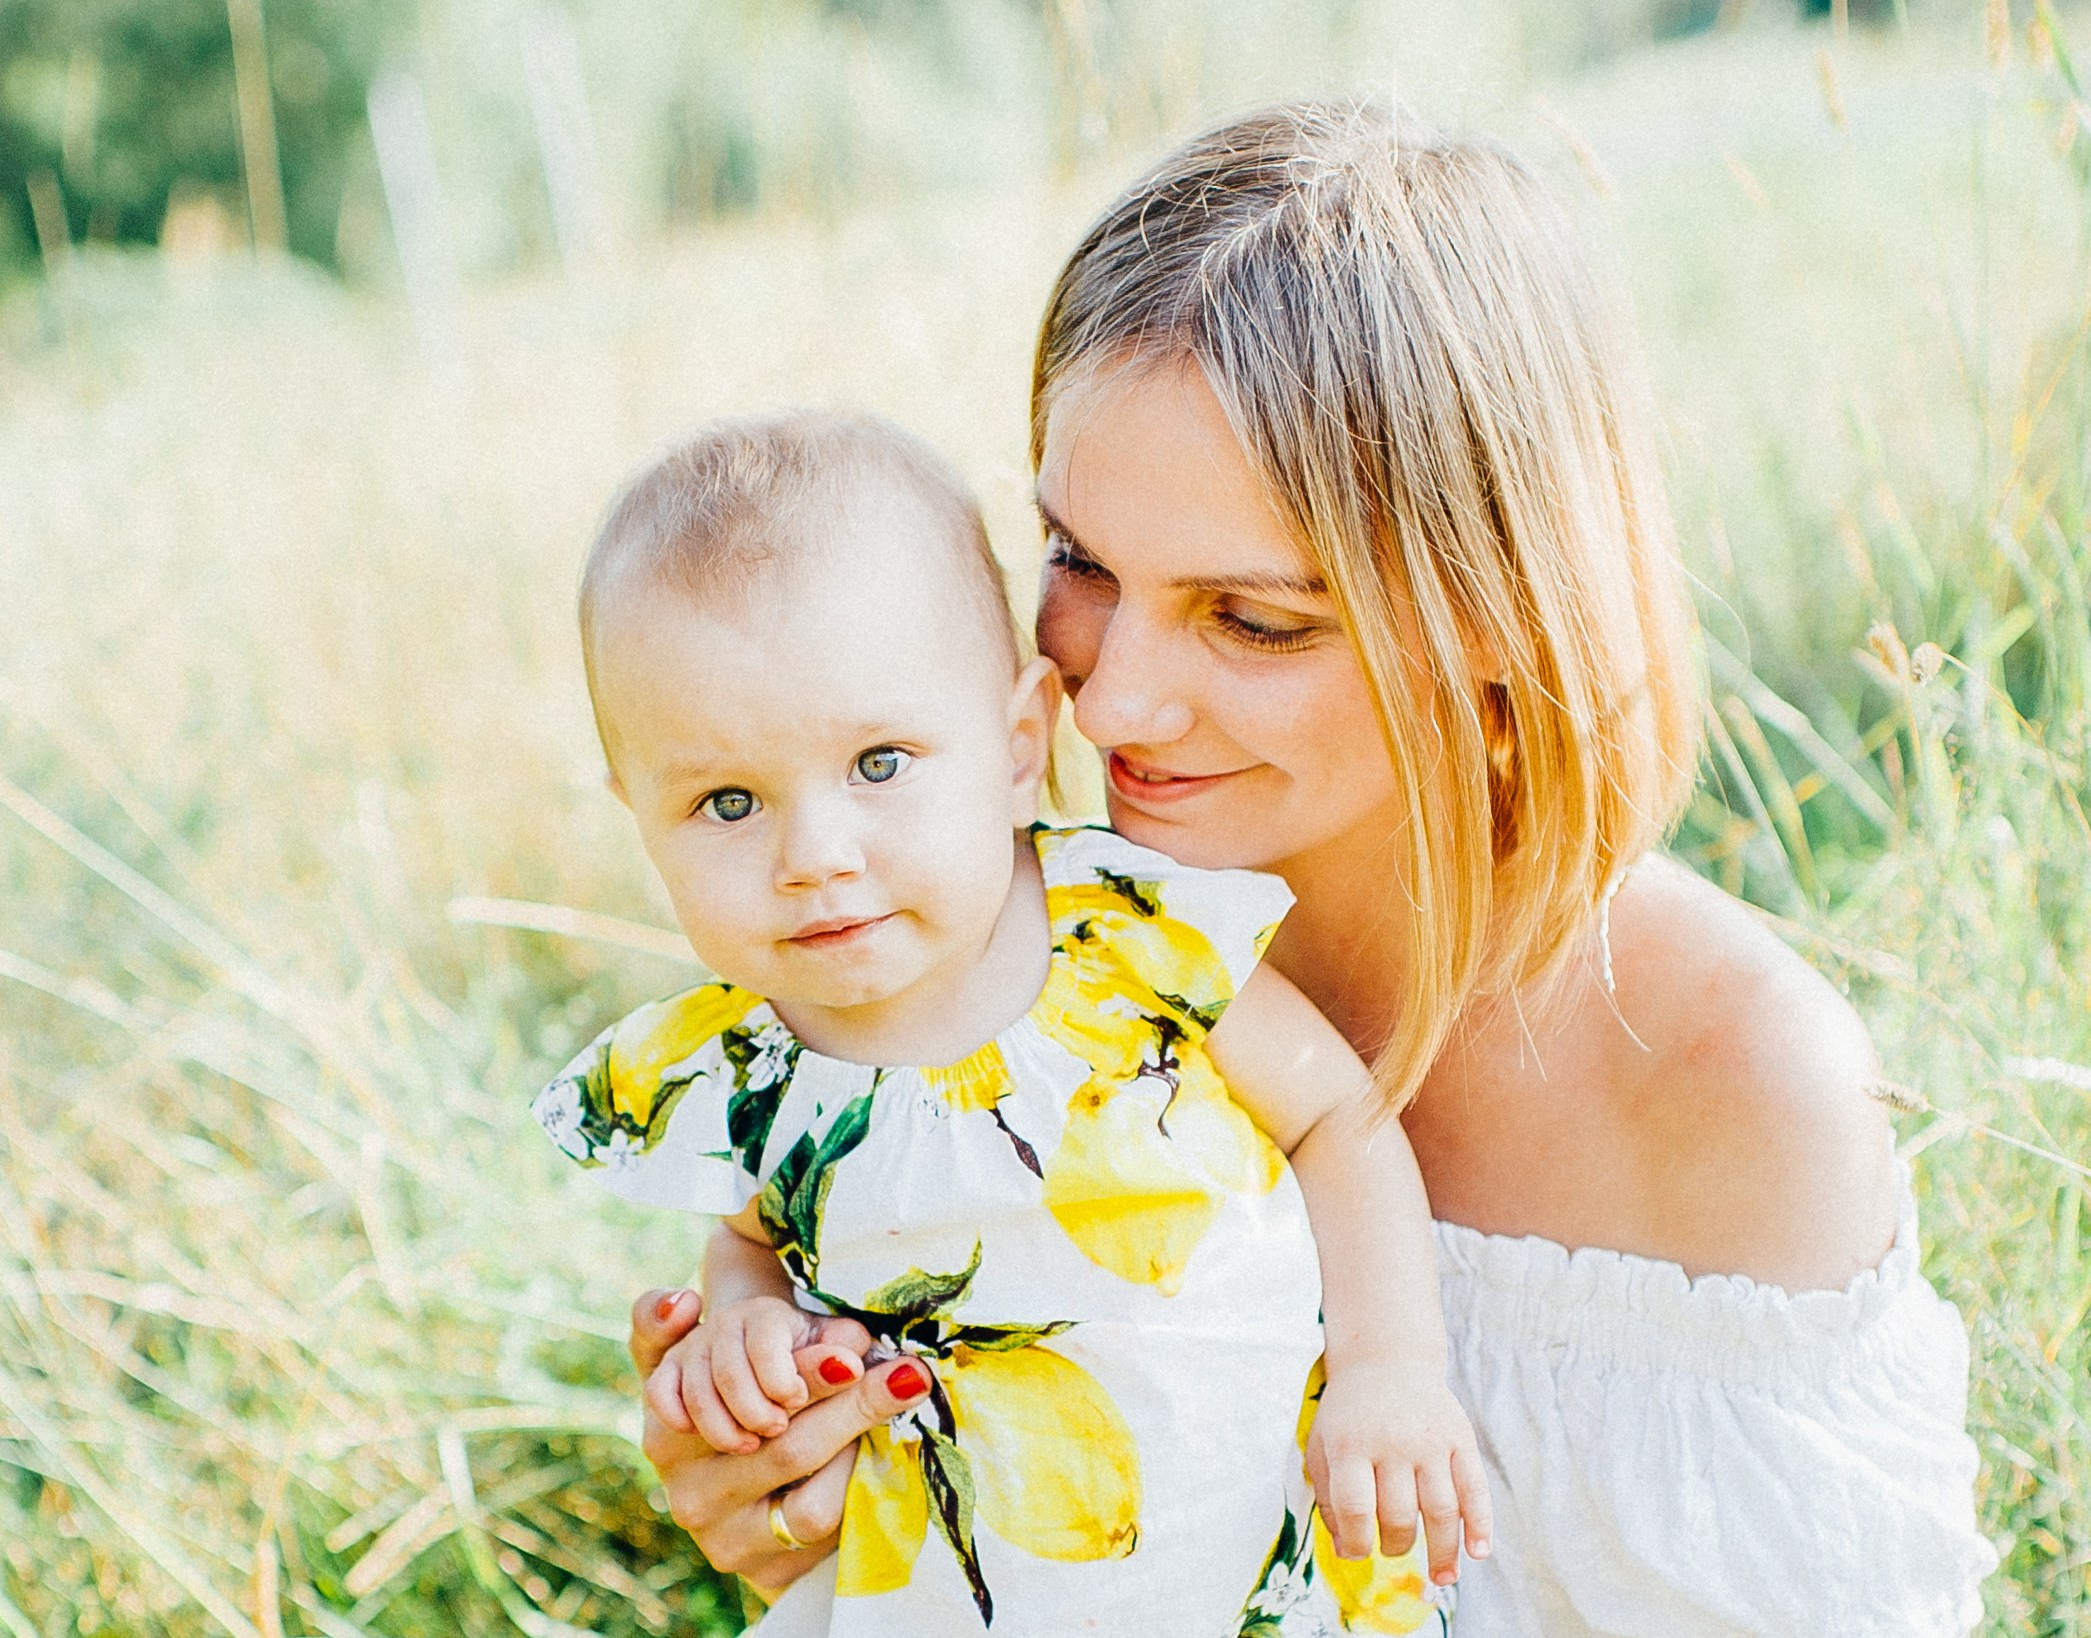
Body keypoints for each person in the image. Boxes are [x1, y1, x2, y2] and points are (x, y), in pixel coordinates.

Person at [626, 103, 1996, 1635]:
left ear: (1498, 611)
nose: (1111, 697)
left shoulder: (1738, 1087)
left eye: (1253, 619)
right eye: (1080, 562)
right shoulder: (973, 975)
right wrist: (806, 1498)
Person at [535, 408, 1491, 1634]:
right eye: (727, 802)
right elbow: (752, 1239)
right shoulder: (736, 1067)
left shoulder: (1129, 939)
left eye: (880, 763)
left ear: (1018, 738)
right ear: (636, 812)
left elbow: (1337, 1121)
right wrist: (747, 1332)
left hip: (1256, 1574)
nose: (816, 859)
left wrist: (1390, 1369)